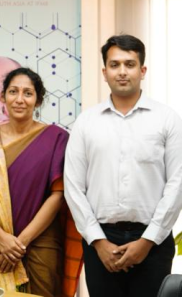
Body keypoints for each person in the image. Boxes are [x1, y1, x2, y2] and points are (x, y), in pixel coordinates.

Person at [64, 34, 182, 296]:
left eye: (129, 64)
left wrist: (148, 240)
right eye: (115, 65)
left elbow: (177, 184)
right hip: (101, 243)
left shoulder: (168, 120)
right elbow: (73, 187)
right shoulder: (86, 122)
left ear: (142, 70)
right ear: (104, 72)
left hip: (153, 243)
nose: (122, 72)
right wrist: (98, 240)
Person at [0, 68, 75, 297]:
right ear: (3, 97)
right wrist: (1, 237)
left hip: (40, 242)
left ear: (38, 100)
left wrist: (20, 243)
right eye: (13, 91)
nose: (19, 99)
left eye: (28, 93)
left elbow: (57, 195)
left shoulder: (56, 138)